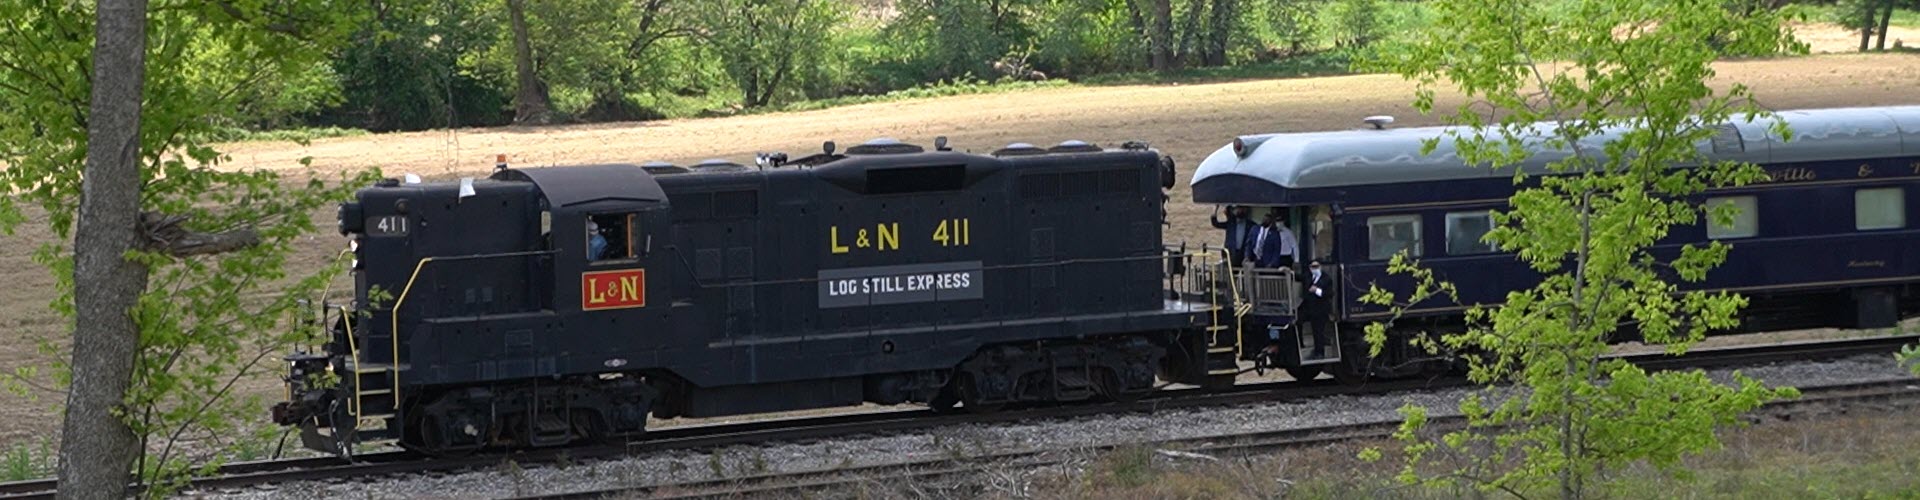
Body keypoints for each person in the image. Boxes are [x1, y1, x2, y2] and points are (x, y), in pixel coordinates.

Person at [1298, 259, 1335, 358]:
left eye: (1316, 267)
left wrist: (1317, 290)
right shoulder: (1308, 276)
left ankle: (1320, 352)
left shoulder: (1326, 279)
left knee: (1318, 331)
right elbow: (1299, 277)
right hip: (1308, 307)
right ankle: (1301, 343)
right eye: (1312, 267)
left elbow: (1330, 294)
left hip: (1320, 309)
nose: (1314, 269)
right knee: (1298, 320)